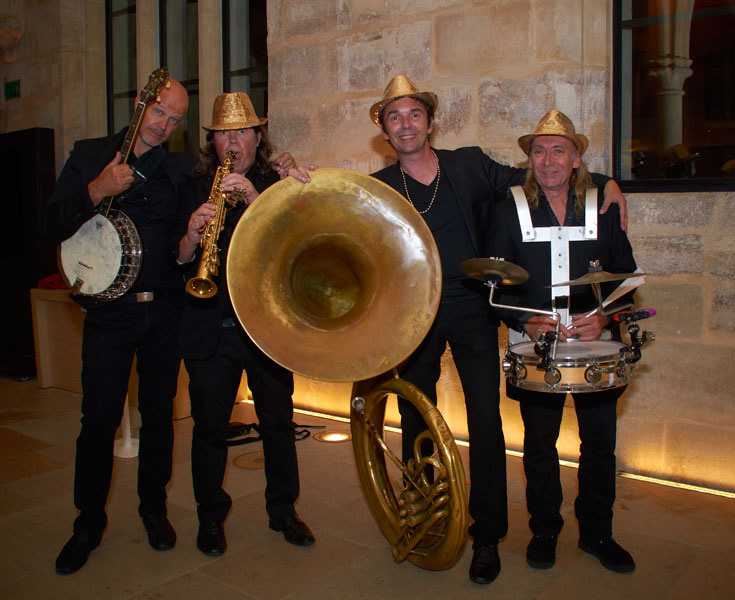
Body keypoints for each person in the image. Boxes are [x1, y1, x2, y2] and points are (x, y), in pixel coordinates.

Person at [291, 74, 628, 585]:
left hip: (473, 309)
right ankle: (427, 517)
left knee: (486, 423)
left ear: (430, 122)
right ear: (384, 130)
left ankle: (487, 535)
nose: (406, 125)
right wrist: (299, 181)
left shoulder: (469, 163)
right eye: (395, 117)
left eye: (414, 115)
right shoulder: (380, 186)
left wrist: (606, 182)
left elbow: (540, 171)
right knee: (416, 419)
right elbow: (338, 219)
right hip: (412, 316)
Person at [40, 75, 192, 574]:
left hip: (164, 311)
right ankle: (87, 524)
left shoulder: (179, 168)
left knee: (159, 415)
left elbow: (184, 238)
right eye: (159, 112)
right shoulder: (90, 155)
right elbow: (49, 224)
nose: (163, 125)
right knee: (99, 420)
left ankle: (154, 509)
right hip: (110, 314)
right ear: (141, 103)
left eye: (174, 120)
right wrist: (97, 190)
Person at [486, 109, 638, 573]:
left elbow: (626, 279)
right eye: (539, 151)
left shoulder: (602, 209)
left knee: (600, 445)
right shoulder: (507, 210)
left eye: (559, 150)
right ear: (529, 159)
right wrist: (526, 321)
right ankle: (545, 529)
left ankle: (597, 532)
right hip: (537, 348)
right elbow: (493, 286)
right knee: (539, 444)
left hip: (595, 347)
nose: (548, 160)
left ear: (576, 159)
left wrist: (605, 316)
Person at [176, 92, 314, 557]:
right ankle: (210, 516)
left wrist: (256, 199)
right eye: (223, 135)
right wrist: (191, 235)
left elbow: (290, 249)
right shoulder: (194, 186)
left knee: (278, 423)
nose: (232, 142)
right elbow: (177, 259)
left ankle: (284, 511)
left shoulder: (278, 182)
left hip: (265, 329)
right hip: (211, 330)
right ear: (212, 143)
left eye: (241, 132)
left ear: (258, 136)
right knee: (209, 428)